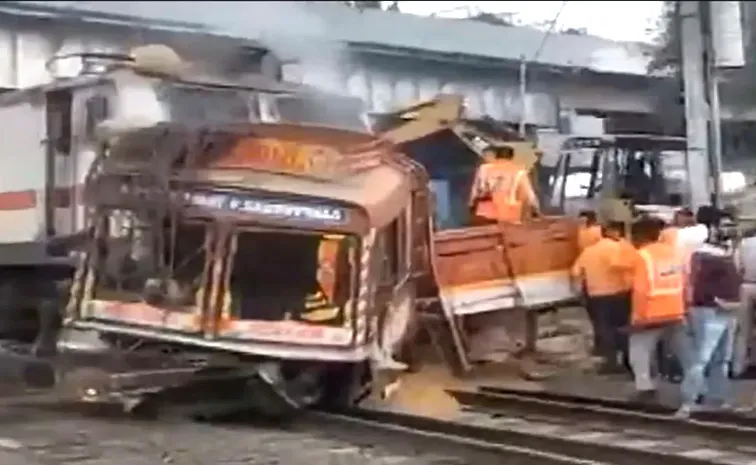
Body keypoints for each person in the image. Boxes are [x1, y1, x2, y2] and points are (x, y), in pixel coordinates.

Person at [677, 210, 742, 417]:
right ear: (711, 228)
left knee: (721, 359)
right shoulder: (702, 253)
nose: (728, 229)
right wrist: (718, 301)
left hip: (725, 311)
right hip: (710, 310)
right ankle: (690, 401)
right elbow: (698, 284)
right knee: (702, 358)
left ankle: (718, 399)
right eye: (724, 225)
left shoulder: (722, 252)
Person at [627, 216, 688, 402]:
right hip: (676, 309)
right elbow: (683, 280)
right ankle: (696, 384)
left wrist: (637, 315)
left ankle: (645, 387)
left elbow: (640, 289)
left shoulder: (641, 255)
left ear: (639, 235)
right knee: (683, 351)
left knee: (639, 350)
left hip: (651, 312)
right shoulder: (673, 253)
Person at [571, 221, 634, 373]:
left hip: (598, 296)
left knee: (604, 328)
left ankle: (611, 362)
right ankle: (628, 361)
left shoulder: (588, 251)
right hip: (621, 293)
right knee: (623, 327)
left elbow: (575, 272)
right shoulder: (622, 247)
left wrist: (578, 291)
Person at [469, 145, 539, 224]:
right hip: (508, 214)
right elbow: (529, 194)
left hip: (484, 213)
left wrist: (471, 206)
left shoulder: (483, 169)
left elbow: (474, 191)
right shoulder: (519, 171)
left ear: (496, 156)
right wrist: (536, 210)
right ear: (512, 157)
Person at [734, 229, 756, 377]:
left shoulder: (744, 244)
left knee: (743, 329)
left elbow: (737, 267)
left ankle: (739, 366)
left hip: (746, 285)